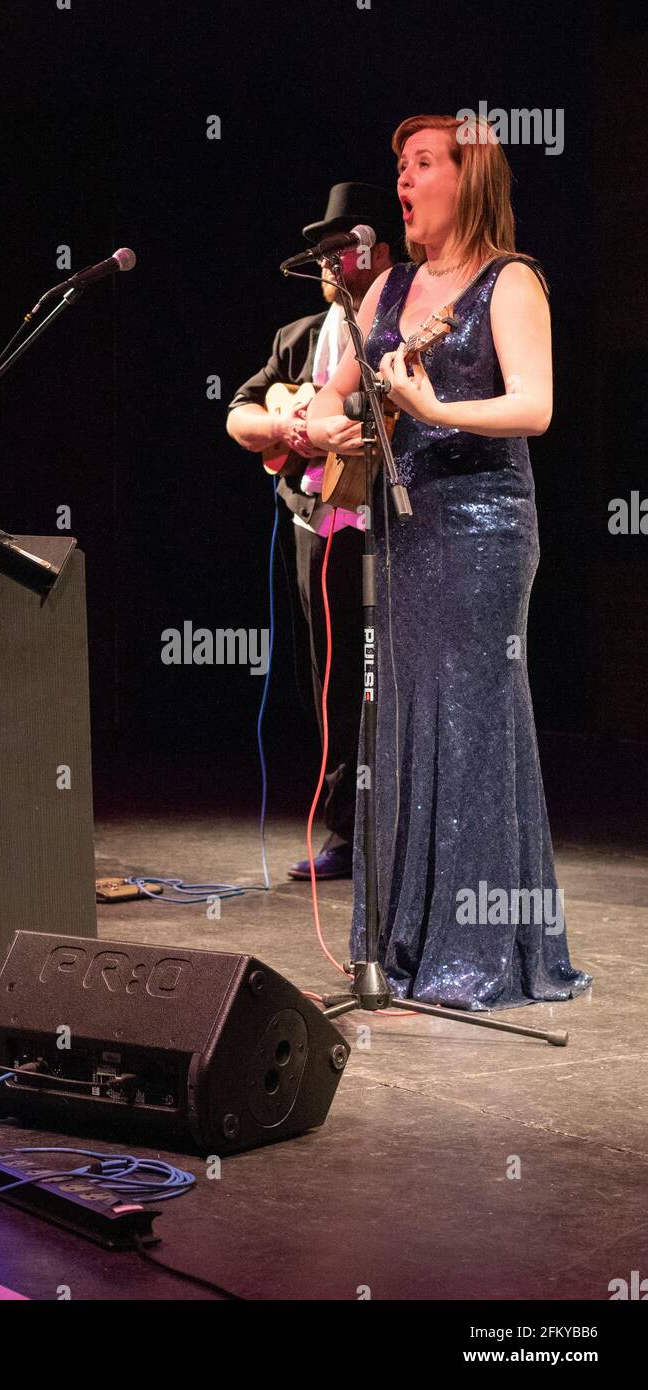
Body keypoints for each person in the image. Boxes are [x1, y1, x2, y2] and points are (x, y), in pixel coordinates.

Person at [306, 116, 591, 1010]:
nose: (405, 178)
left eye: (424, 163)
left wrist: (436, 408)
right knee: (401, 723)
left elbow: (535, 407)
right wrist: (319, 423)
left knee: (470, 723)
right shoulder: (386, 289)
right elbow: (332, 394)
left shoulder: (511, 282)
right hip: (401, 529)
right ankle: (401, 945)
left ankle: (478, 955)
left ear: (468, 180)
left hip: (483, 527)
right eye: (400, 164)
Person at [227, 183, 403, 880]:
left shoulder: (396, 329)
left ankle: (395, 832)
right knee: (328, 683)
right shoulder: (296, 339)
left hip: (388, 530)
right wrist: (288, 425)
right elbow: (239, 415)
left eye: (342, 248)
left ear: (379, 253)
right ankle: (345, 831)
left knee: (385, 680)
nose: (329, 261)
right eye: (321, 253)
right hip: (315, 526)